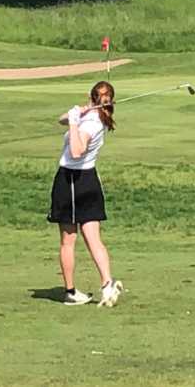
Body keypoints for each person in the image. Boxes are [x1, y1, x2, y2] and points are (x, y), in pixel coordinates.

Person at [49, 81, 124, 307]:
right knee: (93, 238)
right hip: (89, 180)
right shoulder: (97, 117)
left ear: (91, 97)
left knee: (68, 241)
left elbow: (76, 150)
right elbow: (60, 120)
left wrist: (74, 122)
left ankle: (70, 292)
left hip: (72, 181)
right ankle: (107, 283)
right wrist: (76, 113)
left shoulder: (90, 124)